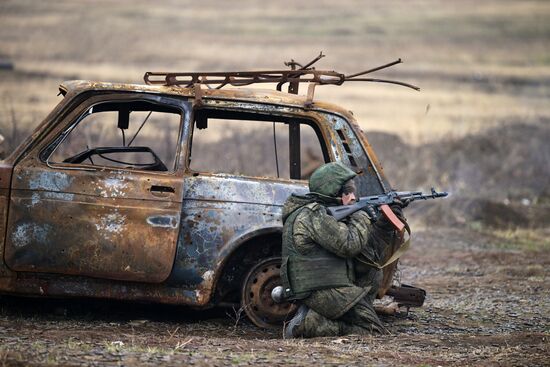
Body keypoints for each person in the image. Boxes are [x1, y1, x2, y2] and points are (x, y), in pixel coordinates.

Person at [280, 162, 406, 338]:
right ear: (332, 193)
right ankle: (309, 325)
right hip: (320, 290)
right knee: (373, 331)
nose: (353, 197)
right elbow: (349, 245)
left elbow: (367, 252)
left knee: (372, 271)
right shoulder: (313, 215)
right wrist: (361, 214)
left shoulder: (325, 214)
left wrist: (385, 224)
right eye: (347, 193)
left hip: (329, 286)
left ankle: (321, 315)